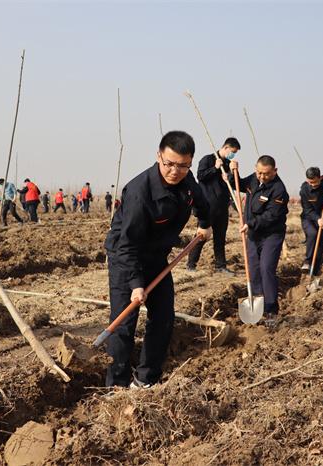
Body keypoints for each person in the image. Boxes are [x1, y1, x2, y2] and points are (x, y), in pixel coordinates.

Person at [104, 130, 211, 388]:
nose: (175, 171)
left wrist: (204, 223)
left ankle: (145, 379)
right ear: (159, 156)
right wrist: (136, 284)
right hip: (126, 259)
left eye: (183, 165)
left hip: (157, 258)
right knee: (124, 324)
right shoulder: (140, 192)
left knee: (163, 318)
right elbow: (127, 245)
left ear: (190, 162)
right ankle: (115, 386)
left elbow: (202, 202)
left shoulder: (187, 180)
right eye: (170, 164)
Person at [231, 155, 289, 321]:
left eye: (266, 173)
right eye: (259, 173)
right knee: (253, 269)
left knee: (266, 268)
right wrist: (231, 170)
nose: (262, 176)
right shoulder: (254, 179)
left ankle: (271, 310)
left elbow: (271, 215)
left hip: (271, 234)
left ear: (275, 171)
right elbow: (239, 183)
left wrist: (250, 224)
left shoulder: (279, 190)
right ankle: (258, 305)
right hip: (253, 234)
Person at [187, 137, 241, 274]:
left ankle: (220, 266)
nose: (232, 154)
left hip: (222, 207)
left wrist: (232, 173)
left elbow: (232, 185)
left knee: (220, 237)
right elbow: (200, 176)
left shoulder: (228, 164)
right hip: (208, 207)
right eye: (232, 151)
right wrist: (215, 168)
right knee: (202, 236)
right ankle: (191, 263)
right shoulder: (208, 160)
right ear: (226, 147)